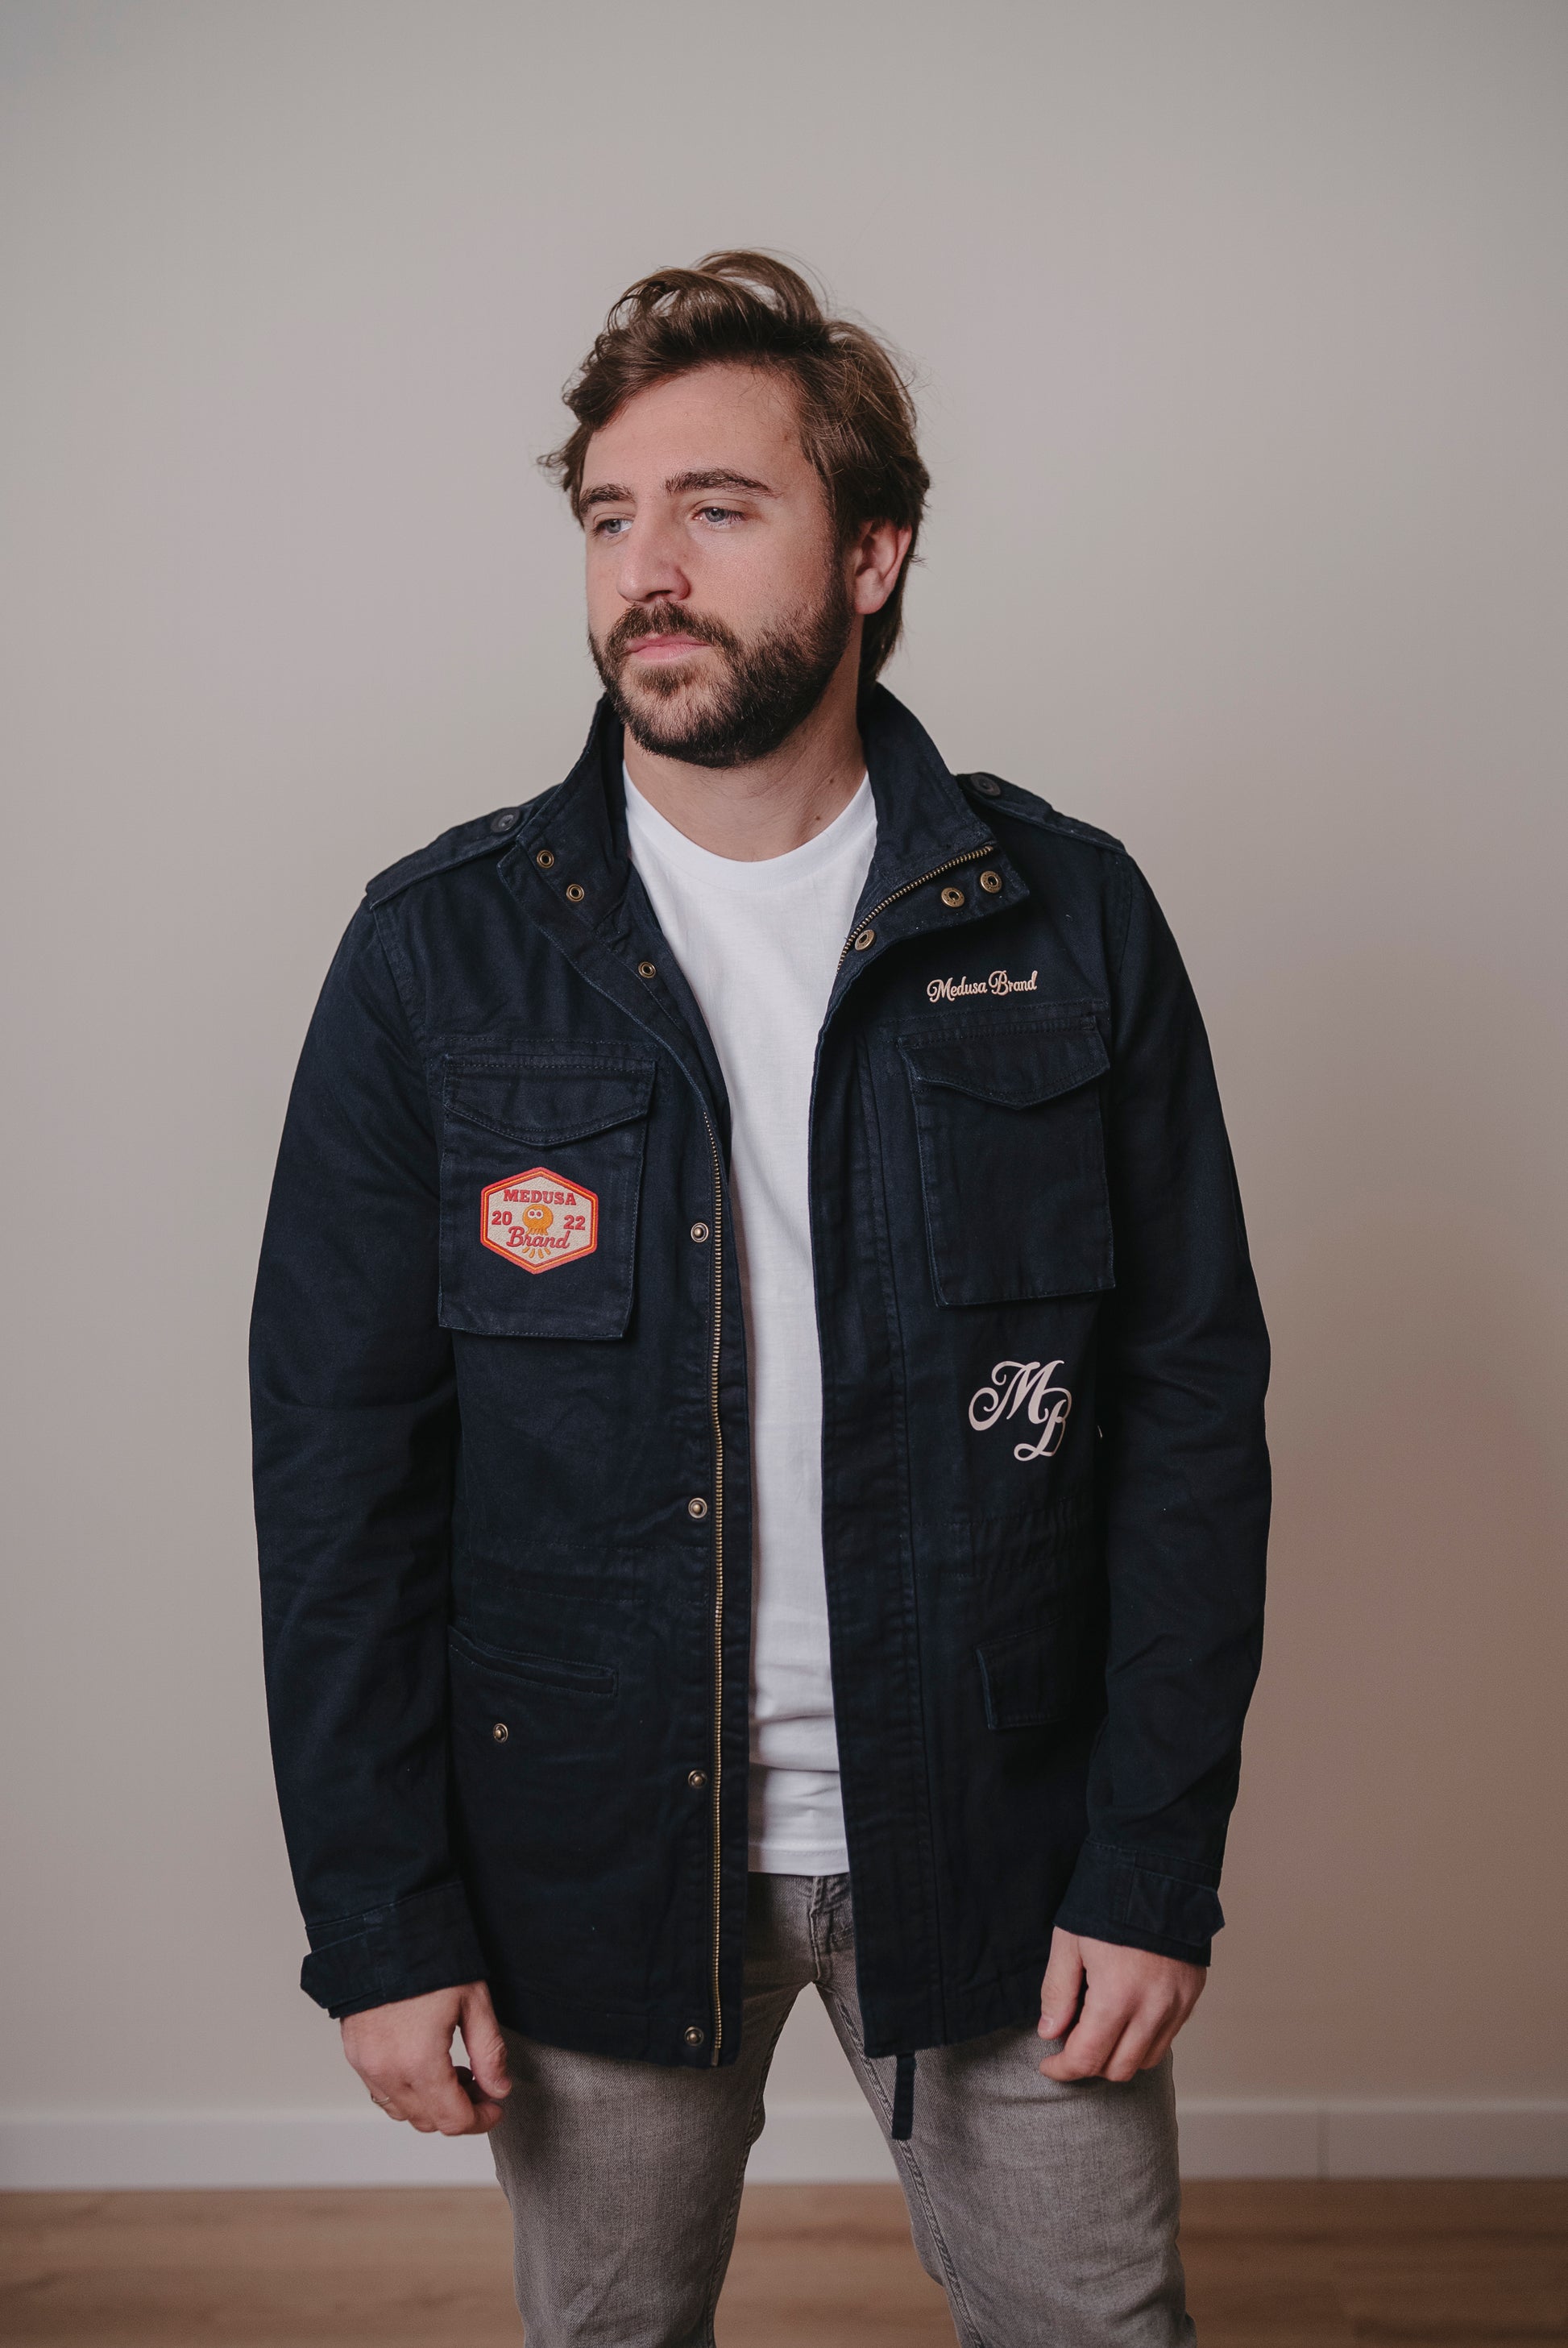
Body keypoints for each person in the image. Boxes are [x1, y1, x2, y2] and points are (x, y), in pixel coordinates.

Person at [251, 251, 1270, 2346]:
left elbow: (1189, 1418)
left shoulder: (1070, 921)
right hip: (591, 1852)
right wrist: (380, 1914)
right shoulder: (438, 958)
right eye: (611, 516)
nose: (649, 568)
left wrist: (1149, 1860)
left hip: (1004, 1841)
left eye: (717, 509)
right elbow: (338, 1477)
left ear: (872, 553)